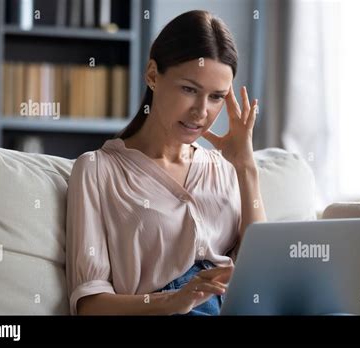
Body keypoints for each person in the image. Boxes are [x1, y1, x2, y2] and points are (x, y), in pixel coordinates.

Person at [66, 9, 267, 316]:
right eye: (189, 89)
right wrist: (175, 300)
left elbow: (262, 275)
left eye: (216, 97)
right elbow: (90, 305)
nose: (201, 111)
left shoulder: (225, 168)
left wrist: (246, 166)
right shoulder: (97, 170)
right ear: (152, 75)